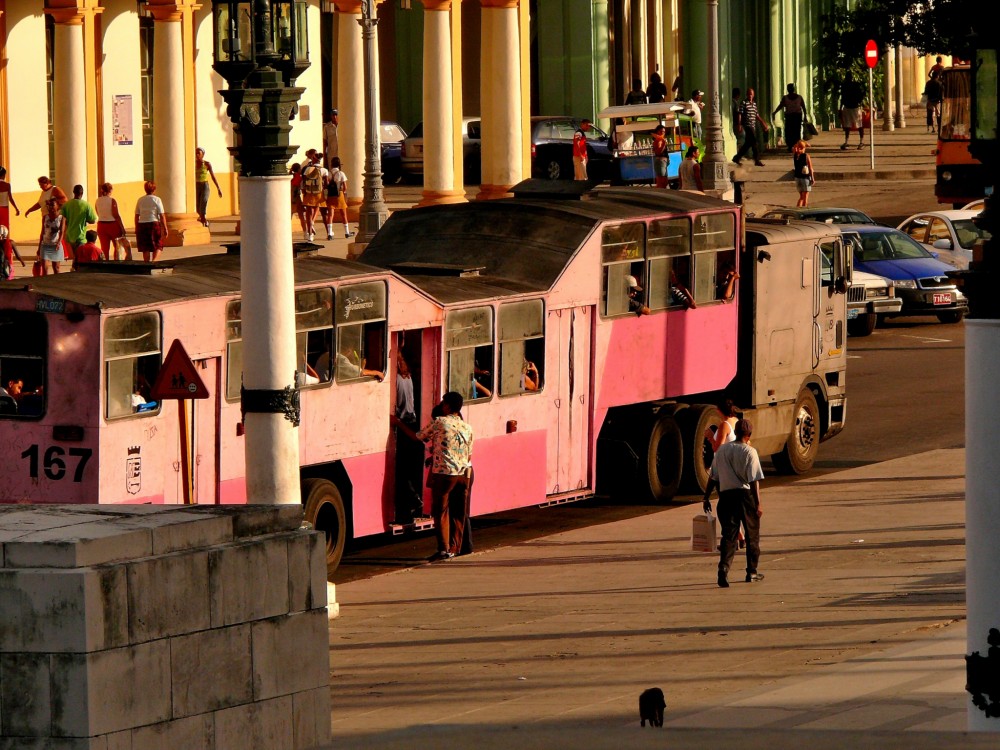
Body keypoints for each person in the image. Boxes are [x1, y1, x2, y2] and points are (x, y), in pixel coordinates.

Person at [702, 418, 765, 588]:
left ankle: (723, 568)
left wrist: (706, 497)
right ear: (749, 435)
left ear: (735, 433)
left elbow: (713, 477)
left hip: (726, 497)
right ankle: (751, 572)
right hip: (745, 497)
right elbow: (753, 481)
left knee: (729, 536)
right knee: (752, 535)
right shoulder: (750, 452)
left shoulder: (721, 451)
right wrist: (758, 504)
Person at [413, 391, 473, 561]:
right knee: (458, 513)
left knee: (441, 511)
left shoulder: (440, 422)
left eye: (443, 402)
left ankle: (443, 550)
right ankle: (455, 548)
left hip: (445, 474)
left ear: (447, 406)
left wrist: (398, 423)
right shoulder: (468, 427)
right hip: (465, 474)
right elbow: (468, 455)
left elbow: (419, 436)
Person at [390, 351, 426, 525]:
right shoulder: (407, 377)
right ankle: (412, 503)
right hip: (412, 421)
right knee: (407, 470)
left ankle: (413, 499)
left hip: (403, 425)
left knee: (401, 471)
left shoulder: (394, 380)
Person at [704, 398, 745, 549]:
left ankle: (732, 539)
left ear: (720, 410)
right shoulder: (737, 421)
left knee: (725, 507)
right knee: (734, 505)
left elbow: (718, 448)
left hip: (724, 470)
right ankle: (740, 537)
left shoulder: (724, 425)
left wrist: (709, 436)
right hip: (736, 468)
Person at [732, 87, 769, 167]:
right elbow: (740, 114)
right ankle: (757, 160)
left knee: (748, 144)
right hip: (747, 125)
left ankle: (736, 158)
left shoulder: (754, 104)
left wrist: (763, 123)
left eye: (751, 94)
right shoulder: (744, 103)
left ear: (753, 95)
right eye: (748, 94)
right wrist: (739, 125)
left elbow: (757, 115)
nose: (750, 96)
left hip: (753, 125)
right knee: (754, 142)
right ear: (746, 94)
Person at [134, 181, 168, 262]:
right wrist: (165, 228)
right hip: (154, 223)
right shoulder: (157, 200)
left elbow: (136, 215)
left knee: (145, 246)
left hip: (142, 224)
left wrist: (137, 226)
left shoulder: (140, 200)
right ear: (154, 189)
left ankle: (146, 262)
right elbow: (162, 215)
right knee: (158, 244)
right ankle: (154, 261)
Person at [60, 184, 98, 252]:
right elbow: (93, 220)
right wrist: (85, 219)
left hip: (69, 235)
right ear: (82, 193)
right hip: (81, 236)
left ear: (73, 192)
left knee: (75, 257)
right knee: (80, 258)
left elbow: (62, 218)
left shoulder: (67, 205)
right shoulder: (86, 205)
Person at [300, 150, 327, 242]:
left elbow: (303, 180)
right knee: (317, 208)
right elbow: (326, 183)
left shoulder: (308, 169)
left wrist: (303, 190)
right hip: (319, 192)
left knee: (309, 211)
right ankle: (312, 223)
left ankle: (310, 233)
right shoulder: (324, 170)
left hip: (309, 191)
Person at [95, 183, 127, 260]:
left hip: (101, 225)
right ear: (110, 190)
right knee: (117, 246)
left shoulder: (97, 201)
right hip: (112, 224)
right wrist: (122, 227)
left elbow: (97, 212)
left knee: (104, 247)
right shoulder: (112, 201)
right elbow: (116, 215)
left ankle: (105, 263)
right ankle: (116, 262)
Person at [325, 156, 354, 240]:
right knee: (343, 214)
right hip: (339, 195)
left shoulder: (329, 173)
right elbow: (345, 186)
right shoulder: (341, 173)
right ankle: (347, 232)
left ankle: (330, 233)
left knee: (330, 215)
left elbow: (326, 184)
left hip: (331, 195)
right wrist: (343, 192)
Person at [772, 83, 807, 150]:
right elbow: (803, 108)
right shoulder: (795, 97)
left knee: (792, 131)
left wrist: (775, 112)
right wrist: (775, 112)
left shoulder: (793, 98)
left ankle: (793, 145)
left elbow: (803, 107)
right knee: (792, 131)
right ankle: (792, 145)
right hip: (793, 116)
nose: (790, 89)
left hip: (793, 116)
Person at [194, 148, 223, 227]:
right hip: (196, 186)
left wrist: (218, 188)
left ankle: (204, 219)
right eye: (196, 153)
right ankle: (202, 220)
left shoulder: (207, 164)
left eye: (198, 153)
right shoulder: (193, 164)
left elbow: (213, 176)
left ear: (202, 155)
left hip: (205, 186)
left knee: (203, 201)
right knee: (197, 205)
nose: (197, 155)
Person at [38, 198, 66, 275]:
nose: (50, 207)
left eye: (52, 205)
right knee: (44, 269)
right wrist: (39, 247)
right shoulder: (45, 217)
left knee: (56, 268)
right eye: (49, 205)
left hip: (55, 246)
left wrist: (58, 243)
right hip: (45, 245)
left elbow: (62, 232)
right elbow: (42, 232)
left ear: (57, 206)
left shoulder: (62, 218)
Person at [839, 73, 866, 150]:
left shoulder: (844, 86)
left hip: (849, 107)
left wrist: (840, 108)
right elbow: (862, 94)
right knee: (858, 125)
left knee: (848, 126)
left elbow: (842, 98)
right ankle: (860, 142)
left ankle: (847, 142)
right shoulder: (856, 85)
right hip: (854, 107)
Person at [792, 140, 815, 207]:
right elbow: (810, 168)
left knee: (801, 197)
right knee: (805, 198)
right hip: (805, 178)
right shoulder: (806, 156)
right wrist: (812, 178)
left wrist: (799, 144)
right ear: (803, 148)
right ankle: (804, 211)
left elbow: (795, 147)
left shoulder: (795, 155)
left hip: (797, 178)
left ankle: (798, 209)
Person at [651, 124, 670, 189]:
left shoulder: (660, 139)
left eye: (664, 131)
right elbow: (658, 152)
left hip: (662, 161)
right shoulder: (659, 140)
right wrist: (664, 144)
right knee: (661, 182)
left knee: (664, 181)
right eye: (661, 131)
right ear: (657, 132)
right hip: (660, 161)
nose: (663, 133)